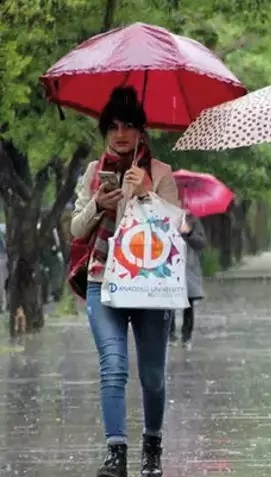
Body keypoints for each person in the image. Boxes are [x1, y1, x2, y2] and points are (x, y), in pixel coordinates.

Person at [69, 86, 179, 477]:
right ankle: (116, 453)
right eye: (113, 126)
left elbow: (177, 229)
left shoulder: (161, 173)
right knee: (113, 365)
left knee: (151, 374)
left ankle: (153, 445)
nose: (120, 133)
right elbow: (76, 229)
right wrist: (99, 203)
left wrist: (147, 194)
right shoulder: (92, 173)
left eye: (129, 125)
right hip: (103, 279)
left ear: (141, 132)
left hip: (150, 285)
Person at [170, 209, 206, 347]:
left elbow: (202, 243)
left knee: (189, 302)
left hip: (188, 267)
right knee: (169, 301)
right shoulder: (165, 217)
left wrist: (189, 232)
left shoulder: (193, 220)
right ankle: (170, 334)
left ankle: (187, 336)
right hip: (170, 265)